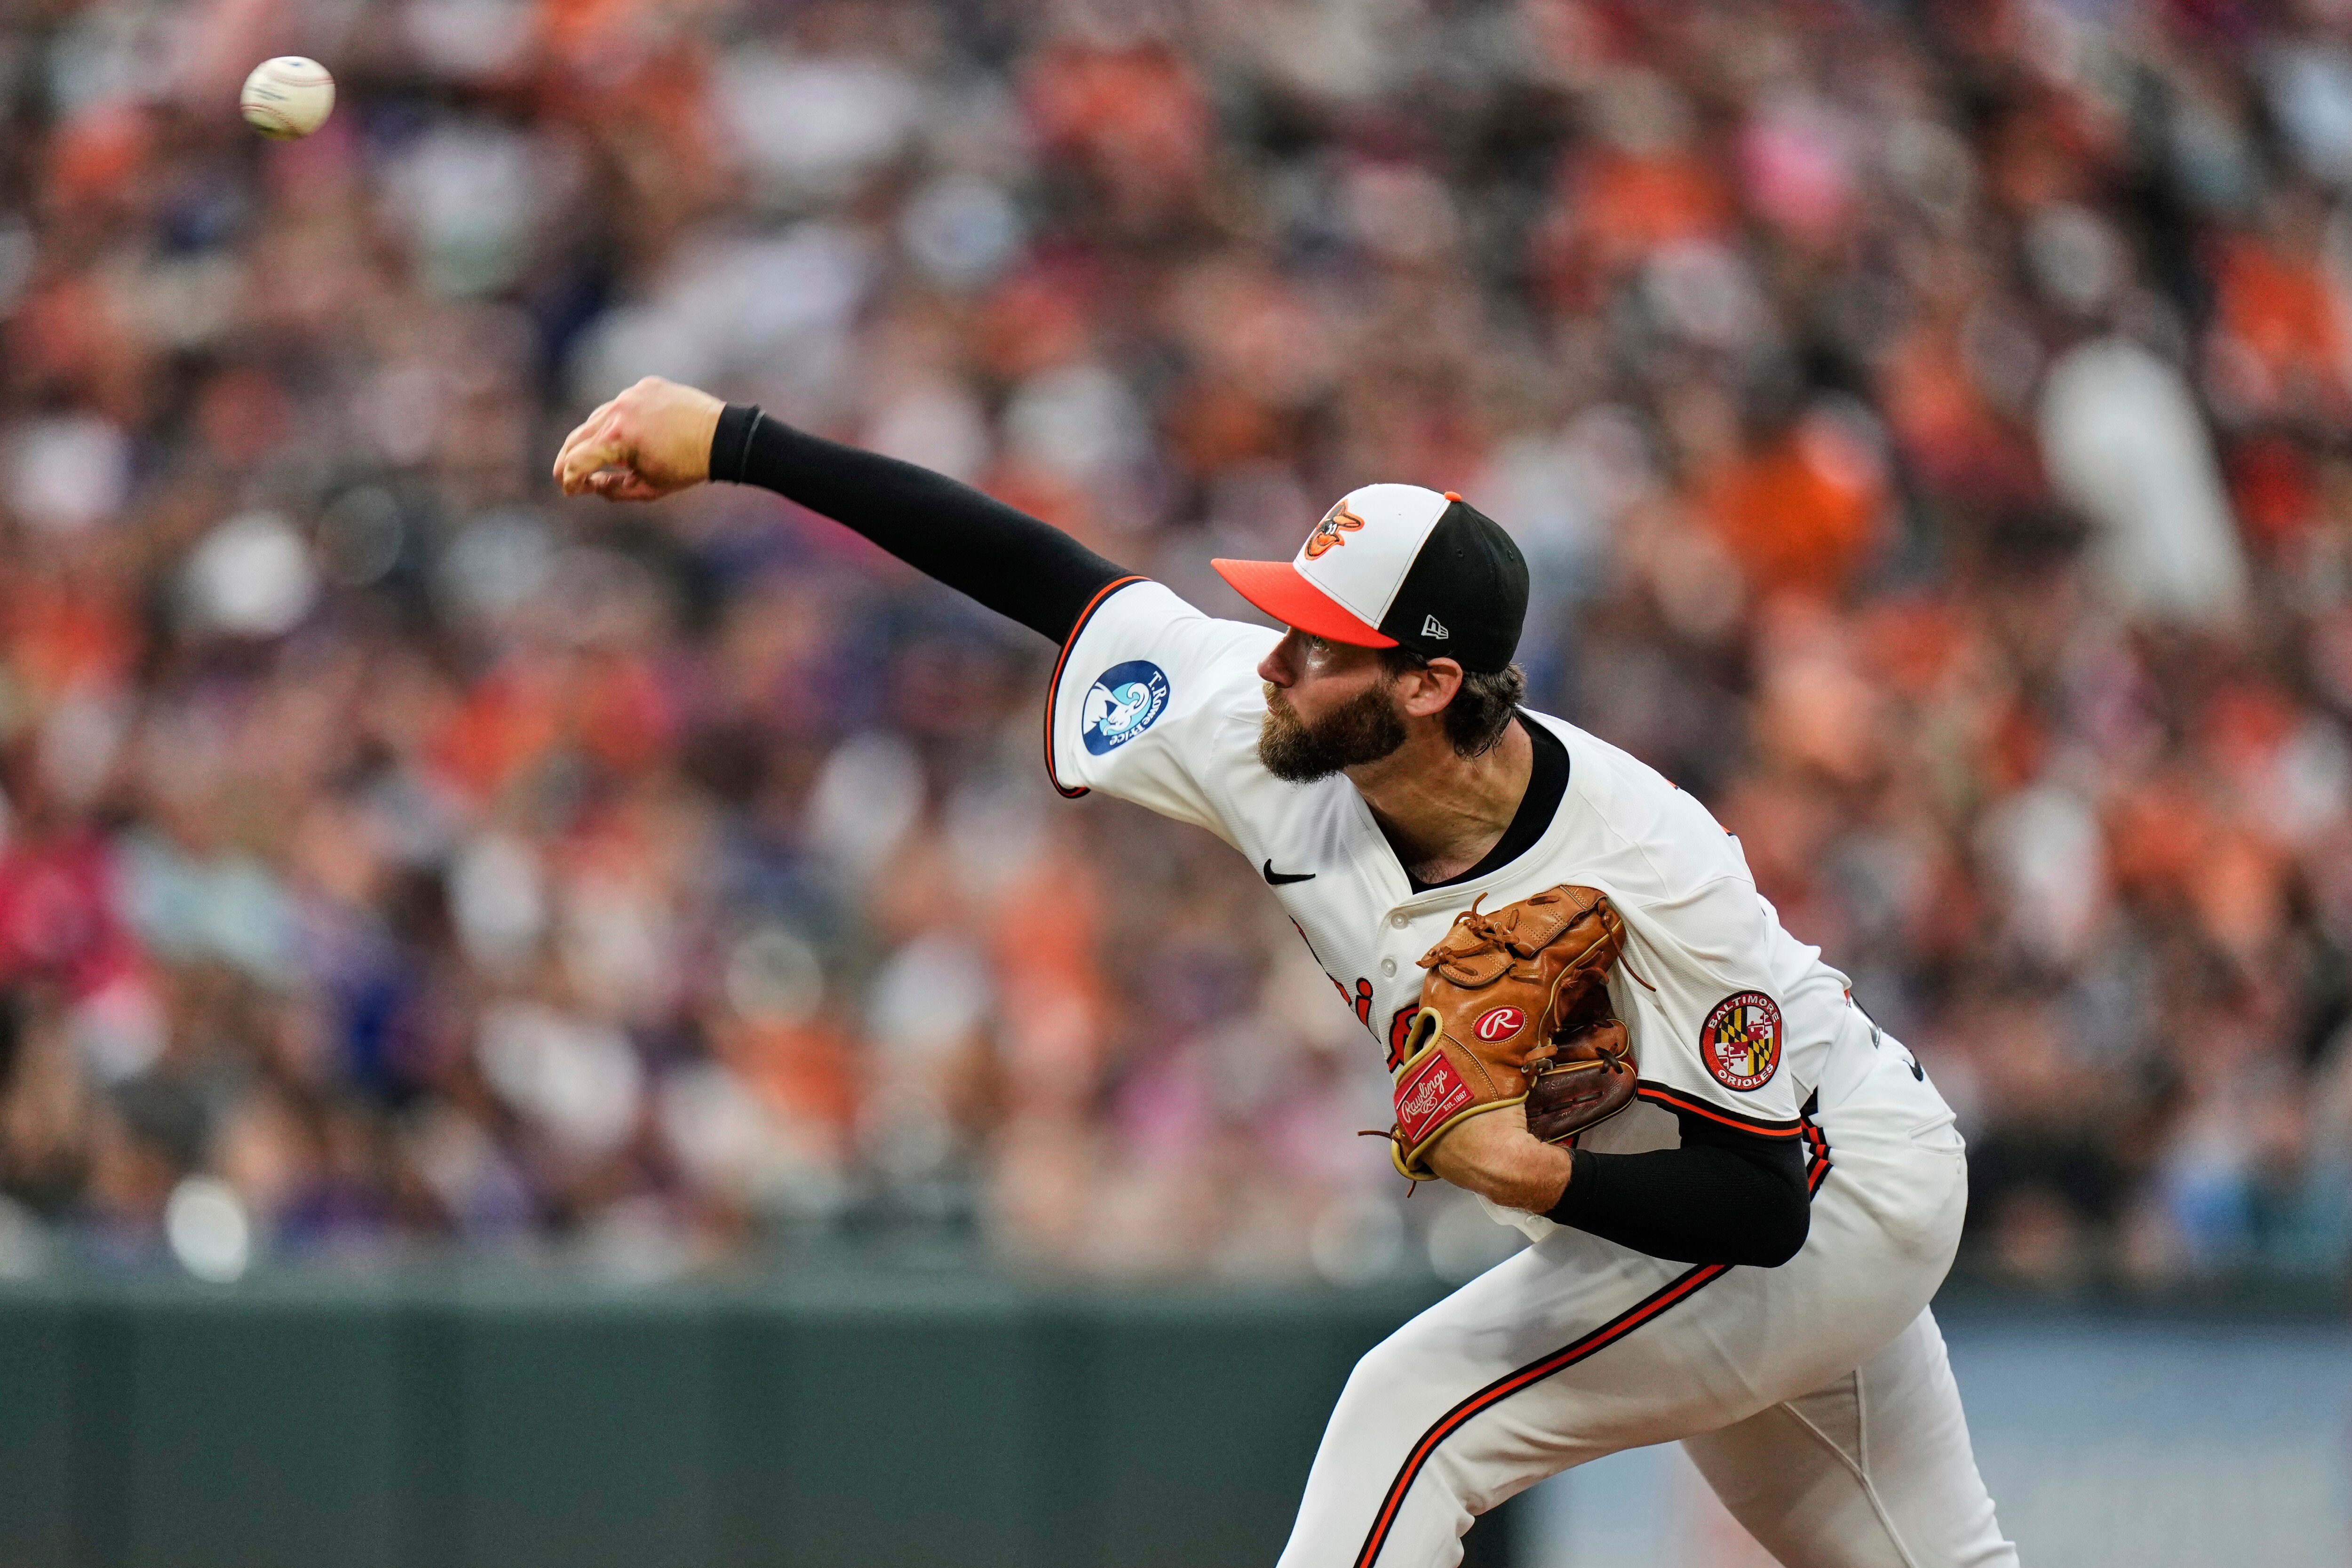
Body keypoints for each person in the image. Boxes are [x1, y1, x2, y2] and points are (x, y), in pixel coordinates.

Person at [554, 378, 2019, 1568]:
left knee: (1413, 1412)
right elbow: (1056, 583)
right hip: (1689, 1227)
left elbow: (1757, 1210)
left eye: (1319, 645)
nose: (1271, 662)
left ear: (1430, 685)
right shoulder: (1283, 742)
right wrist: (742, 444)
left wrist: (1532, 1175)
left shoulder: (1650, 860)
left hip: (1834, 1197)